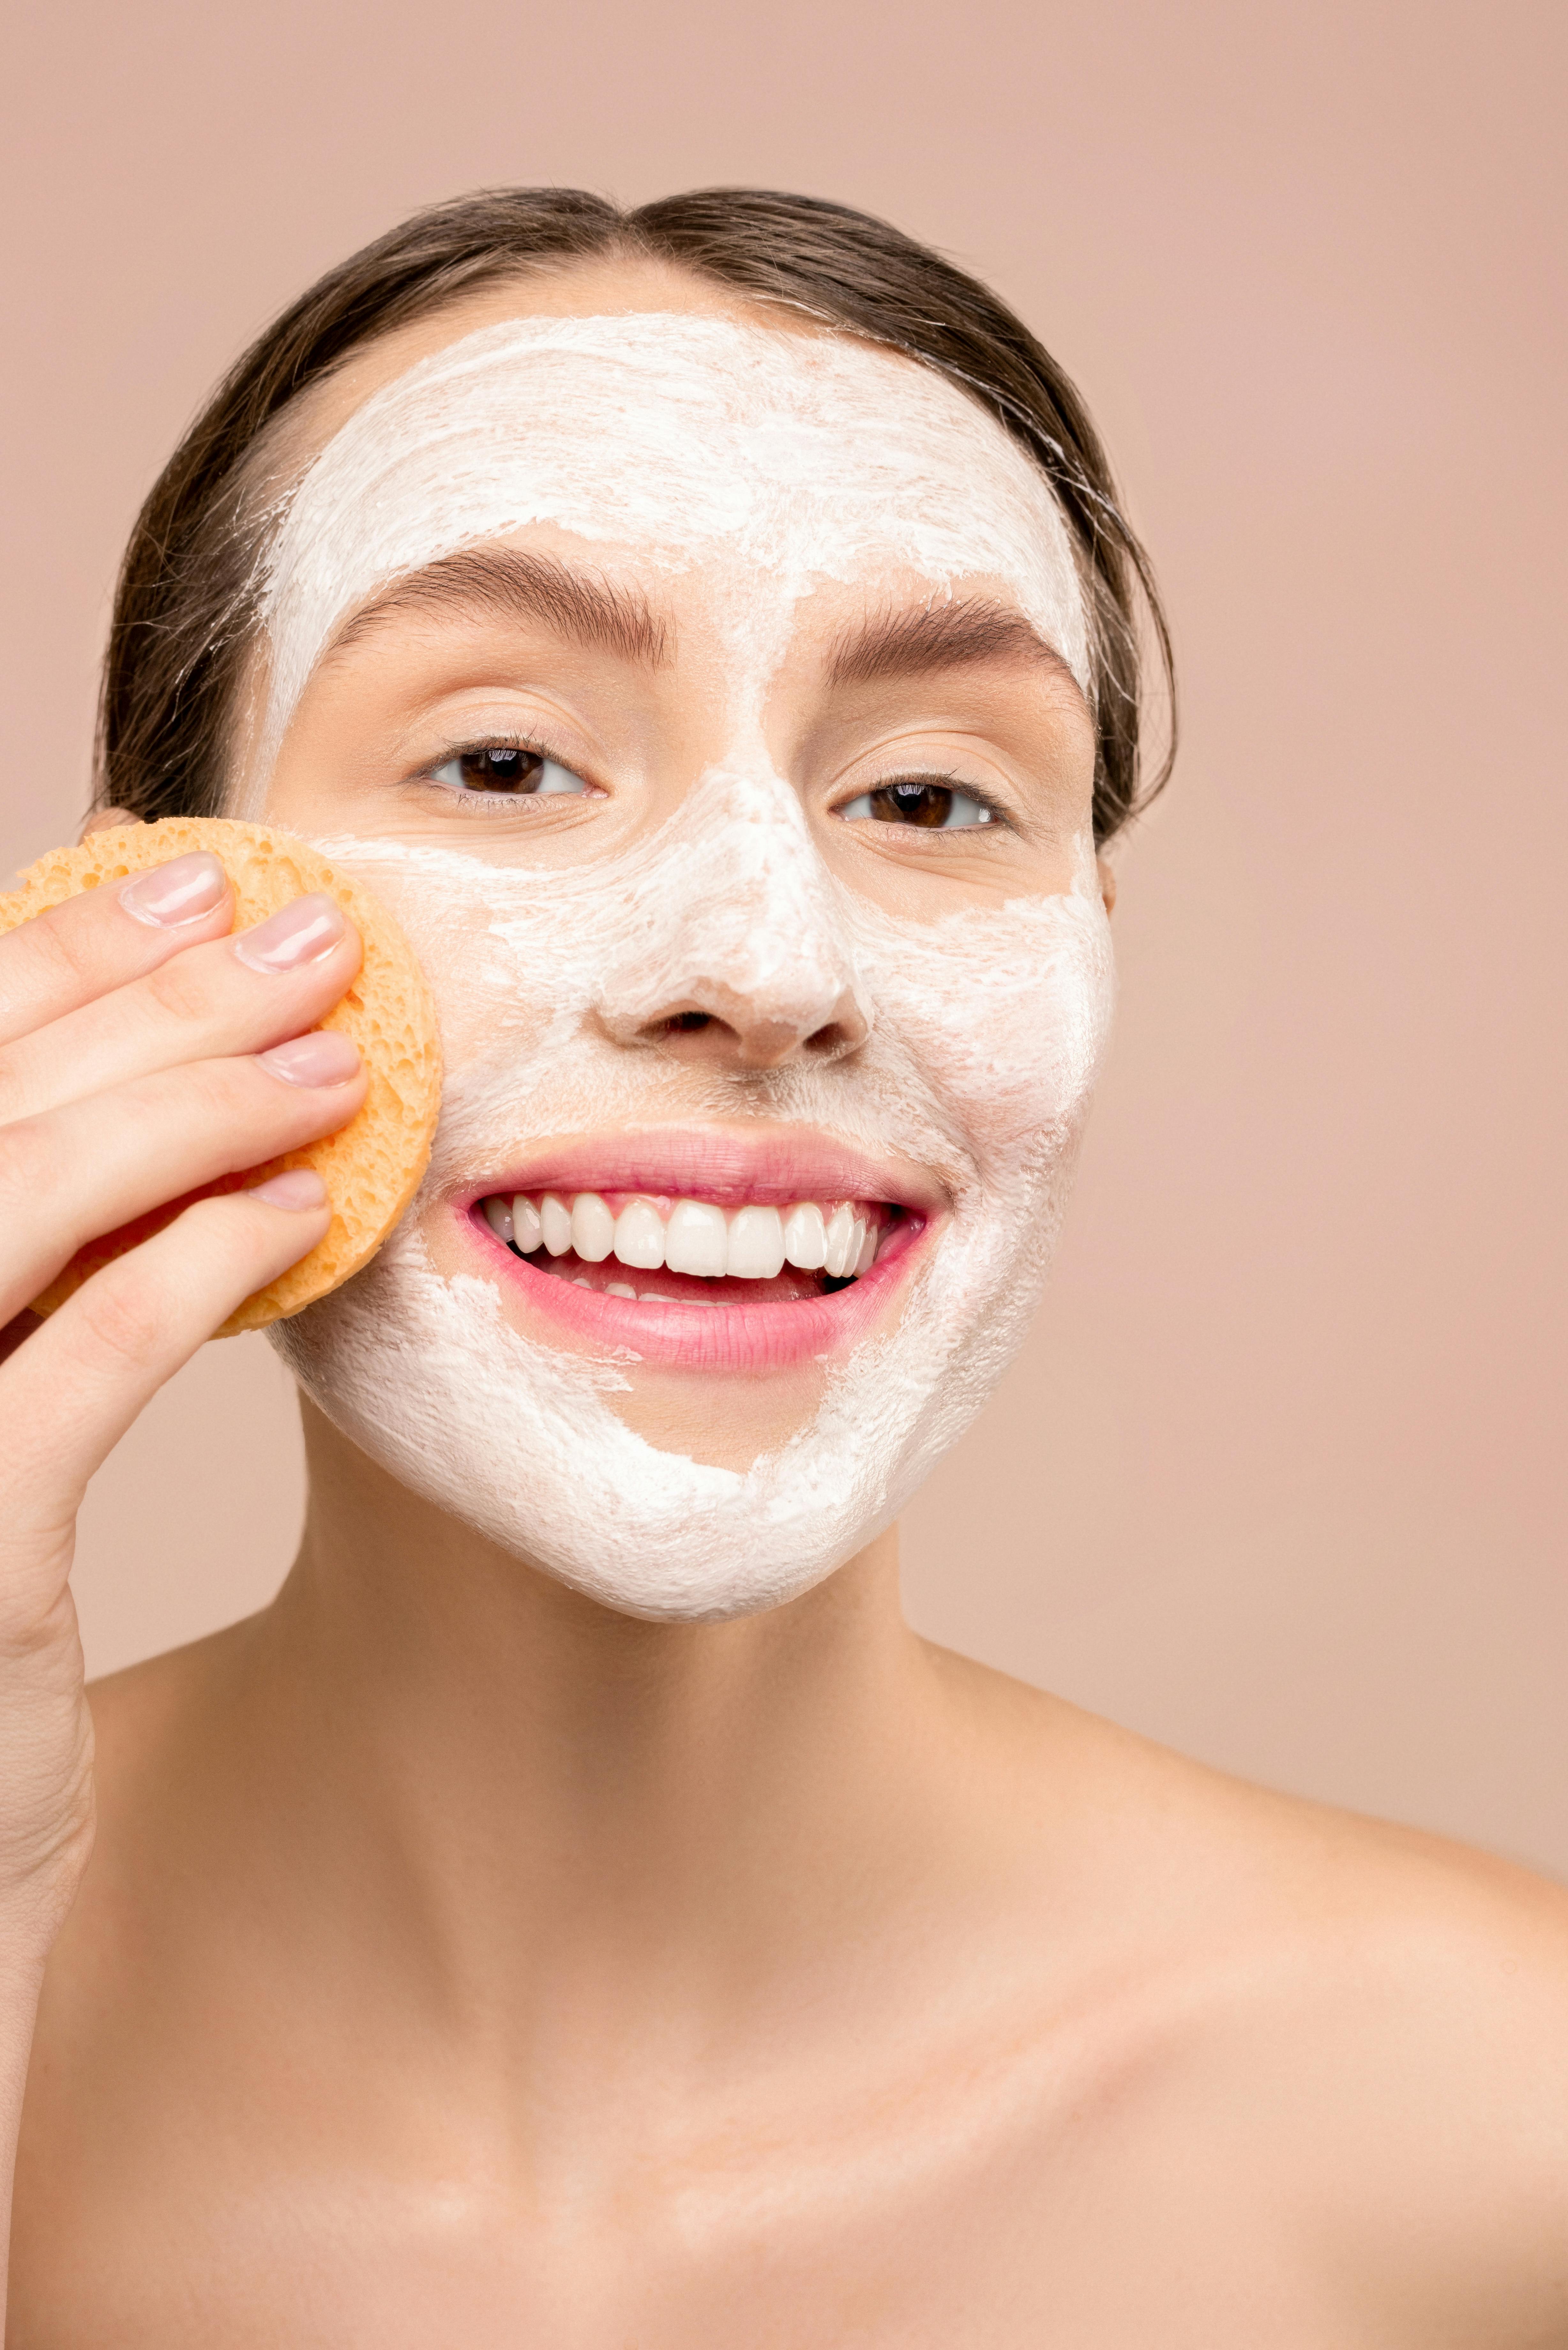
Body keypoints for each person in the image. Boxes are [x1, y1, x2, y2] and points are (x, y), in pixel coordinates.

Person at [2, 187, 1564, 2345]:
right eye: (505, 759)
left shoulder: (1506, 2137)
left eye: (932, 798)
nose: (765, 962)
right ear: (137, 935)